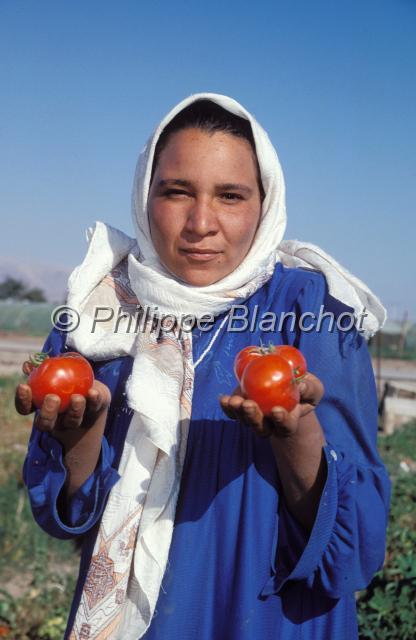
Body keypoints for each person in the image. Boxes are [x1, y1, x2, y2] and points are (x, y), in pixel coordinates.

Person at [16, 93, 391, 640]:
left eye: (231, 196)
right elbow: (63, 515)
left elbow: (356, 548)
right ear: (146, 197)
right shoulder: (100, 314)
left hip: (268, 620)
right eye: (176, 192)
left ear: (265, 205)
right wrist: (81, 440)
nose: (200, 223)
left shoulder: (312, 311)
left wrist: (297, 438)